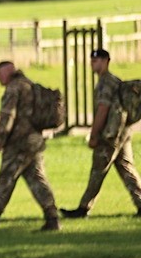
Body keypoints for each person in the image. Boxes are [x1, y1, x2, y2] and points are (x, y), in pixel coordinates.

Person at [60, 49, 141, 218]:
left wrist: (94, 134)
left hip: (110, 134)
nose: (93, 63)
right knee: (126, 167)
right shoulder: (114, 80)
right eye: (92, 60)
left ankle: (83, 208)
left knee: (98, 170)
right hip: (123, 131)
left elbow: (103, 109)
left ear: (106, 61)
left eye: (96, 60)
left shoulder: (106, 83)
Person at [0, 60, 61, 231]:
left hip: (18, 143)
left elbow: (8, 115)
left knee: (5, 178)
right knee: (37, 179)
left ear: (7, 71)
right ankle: (52, 217)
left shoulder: (13, 88)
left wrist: (0, 140)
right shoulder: (29, 84)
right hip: (35, 140)